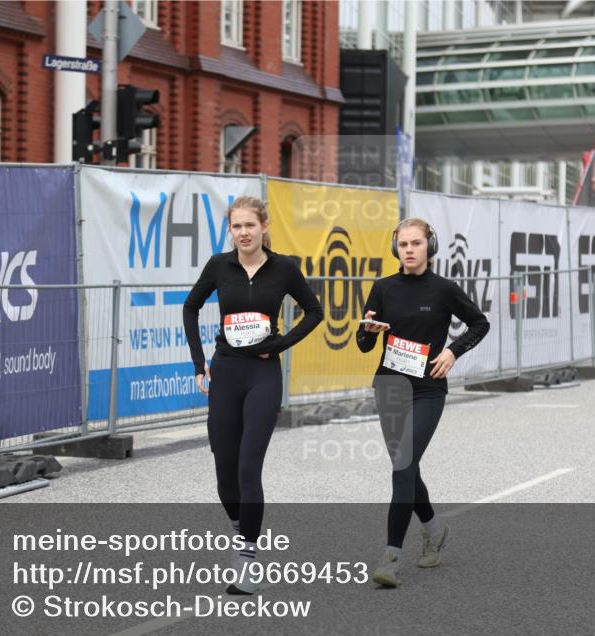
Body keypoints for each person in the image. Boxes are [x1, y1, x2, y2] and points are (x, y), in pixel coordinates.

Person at [183, 195, 323, 595]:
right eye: (236, 226)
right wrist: (199, 364)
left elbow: (314, 311)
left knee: (248, 469)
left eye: (250, 225)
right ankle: (242, 528)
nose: (243, 233)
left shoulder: (284, 268)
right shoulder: (219, 265)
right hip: (226, 372)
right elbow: (190, 308)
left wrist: (279, 345)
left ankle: (246, 557)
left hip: (263, 374)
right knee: (225, 475)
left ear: (264, 227)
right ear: (230, 230)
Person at [356, 218, 489, 588]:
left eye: (415, 243)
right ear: (395, 248)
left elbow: (479, 324)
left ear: (429, 247)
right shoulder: (383, 288)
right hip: (389, 387)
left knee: (402, 466)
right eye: (403, 244)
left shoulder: (443, 289)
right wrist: (367, 331)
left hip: (428, 389)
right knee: (407, 469)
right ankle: (434, 529)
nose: (409, 250)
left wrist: (453, 351)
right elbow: (364, 345)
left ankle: (390, 557)